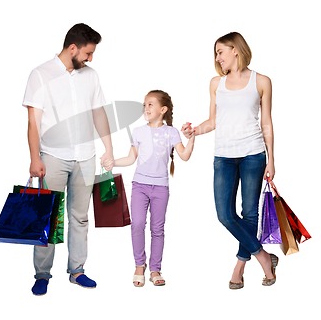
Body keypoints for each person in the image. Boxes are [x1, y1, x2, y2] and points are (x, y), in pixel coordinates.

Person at [23, 23, 114, 295]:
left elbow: (99, 113)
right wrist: (33, 158)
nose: (90, 58)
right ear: (72, 48)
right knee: (48, 217)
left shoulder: (91, 76)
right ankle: (42, 274)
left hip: (85, 156)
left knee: (80, 217)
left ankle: (77, 271)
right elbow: (33, 121)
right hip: (52, 157)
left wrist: (108, 148)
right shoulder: (40, 74)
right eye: (87, 53)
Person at [182, 32, 278, 289]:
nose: (217, 57)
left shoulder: (262, 81)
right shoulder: (216, 83)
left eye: (220, 51)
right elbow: (213, 121)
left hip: (253, 154)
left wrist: (271, 160)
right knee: (224, 214)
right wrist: (195, 130)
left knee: (249, 213)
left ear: (235, 49)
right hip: (224, 156)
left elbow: (266, 122)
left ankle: (239, 267)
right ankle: (263, 256)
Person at [110, 90, 195, 287]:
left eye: (150, 104)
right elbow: (131, 158)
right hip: (139, 185)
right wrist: (112, 162)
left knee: (158, 229)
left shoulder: (171, 132)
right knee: (137, 224)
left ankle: (155, 268)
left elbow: (184, 156)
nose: (146, 108)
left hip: (161, 187)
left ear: (162, 109)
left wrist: (192, 137)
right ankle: (140, 265)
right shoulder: (138, 132)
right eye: (145, 104)